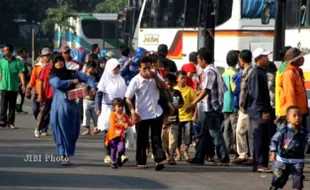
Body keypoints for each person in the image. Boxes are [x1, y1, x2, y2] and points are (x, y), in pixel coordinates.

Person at [49, 54, 96, 165]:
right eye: (56, 61)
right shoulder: (53, 75)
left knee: (73, 131)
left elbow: (88, 77)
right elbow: (58, 84)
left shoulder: (71, 73)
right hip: (60, 105)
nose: (59, 63)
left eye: (61, 61)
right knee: (61, 131)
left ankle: (67, 153)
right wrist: (72, 82)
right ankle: (63, 155)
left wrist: (93, 87)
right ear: (53, 64)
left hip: (72, 105)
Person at [186, 47, 230, 165]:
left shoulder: (209, 71)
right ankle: (199, 157)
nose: (198, 63)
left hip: (212, 106)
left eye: (198, 60)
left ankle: (224, 158)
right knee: (204, 133)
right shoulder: (214, 70)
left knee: (215, 133)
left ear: (203, 60)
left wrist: (193, 103)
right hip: (210, 106)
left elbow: (206, 90)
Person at [125, 56, 167, 170]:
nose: (148, 71)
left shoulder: (155, 75)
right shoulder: (135, 80)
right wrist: (133, 112)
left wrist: (156, 78)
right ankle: (141, 161)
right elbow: (128, 98)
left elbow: (165, 86)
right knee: (142, 139)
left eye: (149, 68)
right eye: (144, 69)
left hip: (156, 112)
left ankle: (158, 161)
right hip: (141, 114)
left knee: (156, 137)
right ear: (139, 68)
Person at [269, 106, 310, 190]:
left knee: (298, 181)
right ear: (288, 119)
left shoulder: (304, 132)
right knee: (278, 180)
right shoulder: (283, 130)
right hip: (282, 160)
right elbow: (274, 140)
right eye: (294, 116)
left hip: (297, 160)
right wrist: (273, 153)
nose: (297, 118)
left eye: (300, 116)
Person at [95, 58, 127, 163]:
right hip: (107, 109)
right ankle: (108, 154)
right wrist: (98, 108)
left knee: (121, 132)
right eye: (114, 67)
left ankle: (121, 154)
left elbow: (125, 95)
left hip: (119, 109)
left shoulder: (121, 79)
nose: (116, 69)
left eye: (118, 67)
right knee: (109, 133)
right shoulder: (104, 80)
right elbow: (99, 95)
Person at [247, 48, 272, 172]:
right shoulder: (257, 73)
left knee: (263, 137)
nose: (267, 59)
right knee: (260, 138)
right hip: (258, 110)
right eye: (265, 56)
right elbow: (257, 94)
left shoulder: (261, 72)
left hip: (258, 109)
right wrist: (263, 111)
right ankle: (259, 164)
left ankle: (261, 163)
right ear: (259, 58)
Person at [0, 44, 26, 129]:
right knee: (3, 105)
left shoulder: (18, 62)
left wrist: (23, 84)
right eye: (4, 50)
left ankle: (10, 122)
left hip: (14, 87)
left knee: (12, 106)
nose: (5, 52)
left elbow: (21, 73)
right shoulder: (1, 61)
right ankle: (2, 121)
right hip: (3, 87)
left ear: (11, 51)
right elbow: (0, 74)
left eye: (6, 50)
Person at [161, 73, 184, 165]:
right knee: (164, 139)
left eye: (171, 84)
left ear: (174, 83)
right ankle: (166, 155)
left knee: (173, 139)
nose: (169, 86)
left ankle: (171, 157)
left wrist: (177, 106)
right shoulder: (162, 93)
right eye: (167, 84)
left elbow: (182, 103)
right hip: (164, 121)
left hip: (174, 120)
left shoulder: (177, 93)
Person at [174, 70, 196, 161]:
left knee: (188, 137)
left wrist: (195, 114)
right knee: (176, 138)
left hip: (187, 117)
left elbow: (195, 103)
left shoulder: (189, 90)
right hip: (177, 118)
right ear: (177, 79)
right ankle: (178, 154)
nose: (184, 80)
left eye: (185, 78)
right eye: (182, 78)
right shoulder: (174, 90)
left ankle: (185, 151)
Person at [105, 98, 133, 169]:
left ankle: (119, 157)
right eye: (118, 106)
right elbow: (114, 124)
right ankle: (113, 162)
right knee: (113, 148)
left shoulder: (125, 116)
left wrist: (135, 121)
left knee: (121, 148)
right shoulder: (113, 115)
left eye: (122, 106)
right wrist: (123, 125)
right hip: (113, 135)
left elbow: (129, 123)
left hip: (121, 136)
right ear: (114, 107)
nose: (120, 108)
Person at [222, 50, 239, 154]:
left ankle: (227, 147)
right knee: (235, 128)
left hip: (225, 104)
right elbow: (234, 90)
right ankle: (237, 148)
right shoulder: (234, 73)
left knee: (226, 128)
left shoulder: (224, 73)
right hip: (233, 104)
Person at [35, 48, 53, 137]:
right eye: (45, 56)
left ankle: (45, 129)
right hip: (45, 93)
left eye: (48, 55)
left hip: (55, 94)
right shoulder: (43, 68)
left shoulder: (56, 67)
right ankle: (38, 128)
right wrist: (40, 95)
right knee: (42, 112)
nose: (47, 57)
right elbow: (40, 82)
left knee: (54, 113)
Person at [81, 62, 98, 136]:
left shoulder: (95, 76)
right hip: (86, 98)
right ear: (87, 68)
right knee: (86, 115)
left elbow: (96, 86)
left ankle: (96, 128)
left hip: (94, 99)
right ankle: (88, 130)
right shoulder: (83, 77)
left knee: (95, 115)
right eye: (91, 68)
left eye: (93, 68)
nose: (93, 70)